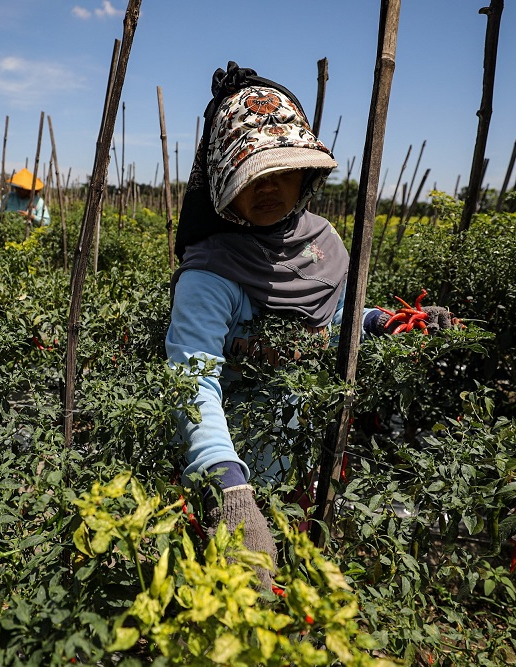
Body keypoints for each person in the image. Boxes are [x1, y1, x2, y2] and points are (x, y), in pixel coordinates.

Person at [166, 62, 456, 587]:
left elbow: (337, 317)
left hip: (305, 457)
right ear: (223, 182)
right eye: (253, 174)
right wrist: (229, 491)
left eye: (282, 172)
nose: (270, 189)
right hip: (231, 475)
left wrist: (384, 323)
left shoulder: (322, 244)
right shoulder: (209, 274)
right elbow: (193, 379)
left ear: (307, 175)